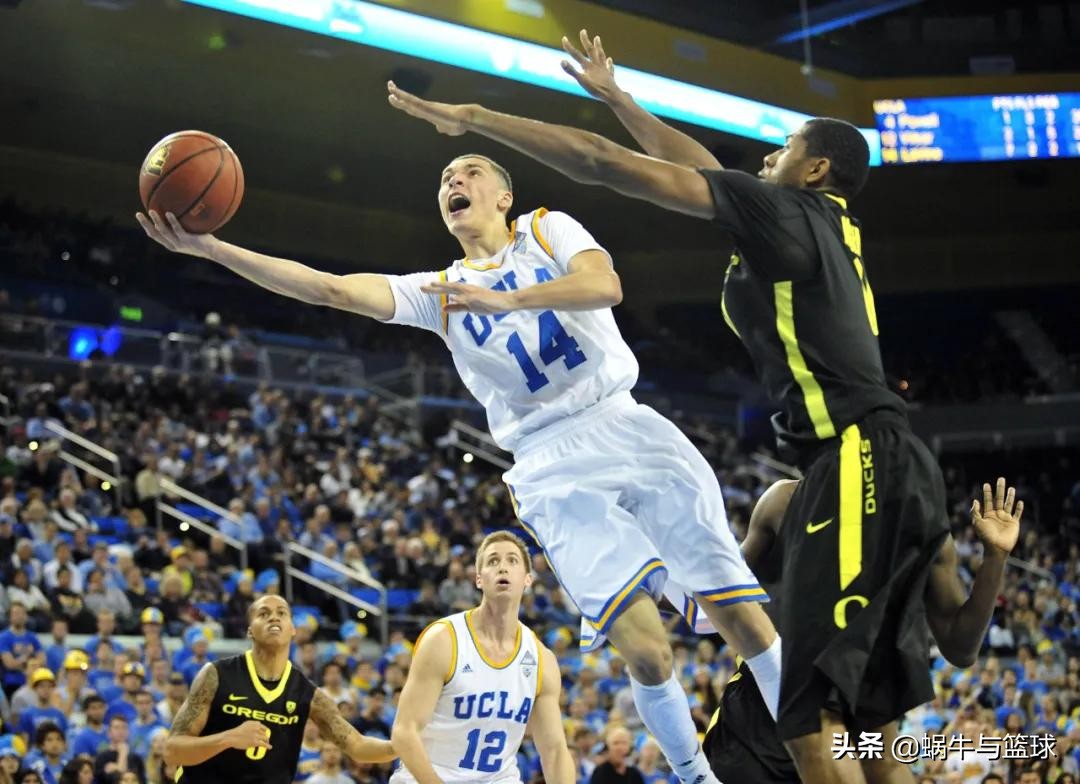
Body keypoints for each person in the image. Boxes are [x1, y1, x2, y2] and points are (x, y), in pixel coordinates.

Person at [385, 31, 956, 783]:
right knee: (861, 715)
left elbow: (604, 165)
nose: (764, 160)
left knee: (811, 702)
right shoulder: (802, 222)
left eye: (780, 149)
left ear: (814, 169)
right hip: (863, 455)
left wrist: (474, 115)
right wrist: (621, 97)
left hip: (857, 456)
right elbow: (699, 166)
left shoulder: (784, 216)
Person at [138, 140, 783, 784]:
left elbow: (605, 285)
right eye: (445, 175)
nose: (452, 178)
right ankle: (696, 775)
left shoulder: (545, 228)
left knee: (743, 618)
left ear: (503, 196)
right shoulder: (439, 292)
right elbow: (331, 289)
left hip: (625, 421)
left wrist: (509, 301)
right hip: (547, 463)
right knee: (647, 653)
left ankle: (820, 737)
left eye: (468, 171)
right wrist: (214, 250)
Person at [703, 476, 1024, 784]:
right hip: (758, 719)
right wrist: (656, 584)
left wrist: (995, 557)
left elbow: (962, 649)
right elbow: (718, 592)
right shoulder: (786, 501)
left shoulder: (923, 527)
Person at [390, 531, 573, 784]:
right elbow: (404, 731)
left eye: (512, 561)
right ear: (478, 579)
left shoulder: (542, 658)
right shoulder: (444, 640)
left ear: (528, 579)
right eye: (493, 561)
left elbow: (554, 751)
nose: (503, 568)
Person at [161, 594, 394, 783]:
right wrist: (228, 738)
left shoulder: (308, 694)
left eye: (281, 613)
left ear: (292, 628)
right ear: (250, 630)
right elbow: (172, 751)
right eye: (264, 614)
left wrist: (401, 747)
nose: (274, 618)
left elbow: (357, 745)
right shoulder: (216, 675)